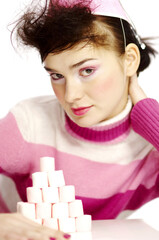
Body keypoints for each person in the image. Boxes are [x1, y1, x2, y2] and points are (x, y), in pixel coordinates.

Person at [0, 0, 159, 239]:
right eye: (57, 75)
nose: (71, 95)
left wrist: (149, 113)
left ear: (129, 60)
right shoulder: (29, 124)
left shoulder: (149, 147)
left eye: (87, 71)